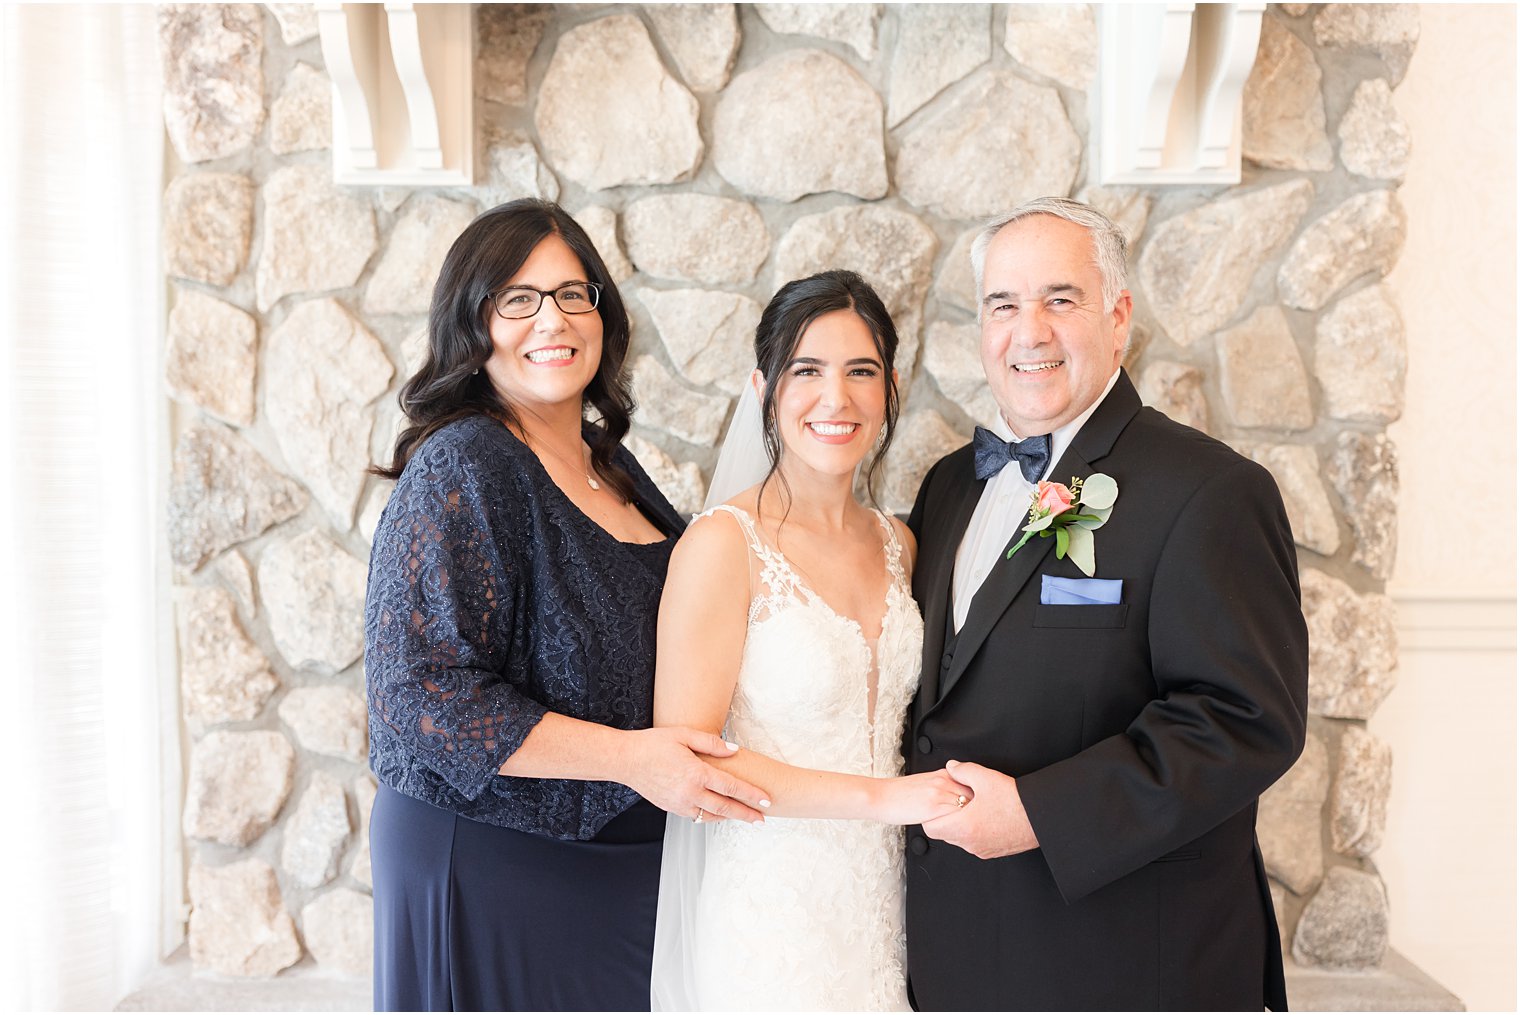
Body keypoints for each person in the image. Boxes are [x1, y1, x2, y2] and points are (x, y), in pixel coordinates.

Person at [363, 199, 770, 1011]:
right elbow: (418, 697)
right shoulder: (464, 463)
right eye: (518, 298)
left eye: (572, 293)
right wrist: (634, 758)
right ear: (473, 321)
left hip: (617, 850)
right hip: (490, 853)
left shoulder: (610, 461)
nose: (551, 317)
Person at [905, 197, 1310, 1010]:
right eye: (1003, 304)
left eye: (1061, 299)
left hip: (1124, 964)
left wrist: (1037, 813)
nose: (1030, 332)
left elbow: (1243, 719)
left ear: (1118, 318)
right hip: (956, 953)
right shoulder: (949, 485)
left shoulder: (1212, 492)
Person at [650, 270, 968, 1011]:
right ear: (764, 386)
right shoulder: (723, 545)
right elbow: (689, 761)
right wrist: (885, 799)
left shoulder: (902, 544)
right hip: (773, 915)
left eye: (861, 371)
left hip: (891, 907)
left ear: (890, 386)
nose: (837, 398)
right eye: (807, 371)